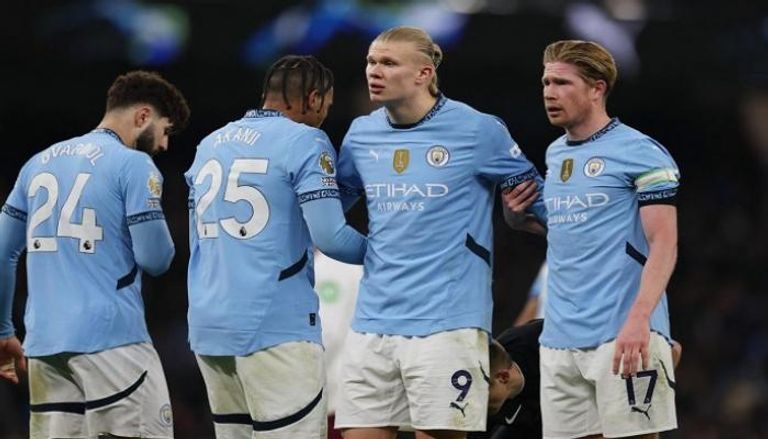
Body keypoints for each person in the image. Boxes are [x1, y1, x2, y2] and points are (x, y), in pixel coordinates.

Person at [334, 26, 545, 439]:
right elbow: (330, 212)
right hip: (372, 323)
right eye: (371, 61)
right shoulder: (361, 134)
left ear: (424, 73)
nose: (374, 70)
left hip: (447, 325)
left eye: (388, 62)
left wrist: (531, 221)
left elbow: (542, 203)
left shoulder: (478, 130)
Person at [504, 40, 681, 438]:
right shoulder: (555, 154)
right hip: (560, 339)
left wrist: (640, 319)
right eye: (546, 83)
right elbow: (574, 228)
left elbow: (664, 243)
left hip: (623, 330)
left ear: (597, 88)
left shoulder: (641, 152)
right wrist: (519, 220)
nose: (549, 93)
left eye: (562, 83)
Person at [0, 70, 190, 438]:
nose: (165, 145)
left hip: (44, 346)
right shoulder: (134, 164)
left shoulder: (37, 164)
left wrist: (4, 330)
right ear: (143, 116)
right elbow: (156, 259)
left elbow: (3, 252)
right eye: (166, 130)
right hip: (113, 343)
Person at [185, 55, 366, 439]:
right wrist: (393, 253)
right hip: (275, 327)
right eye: (326, 105)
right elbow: (332, 238)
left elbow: (201, 241)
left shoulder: (209, 145)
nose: (324, 116)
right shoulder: (306, 140)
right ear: (313, 99)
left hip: (209, 327)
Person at [476, 321, 682, 439]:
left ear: (503, 377)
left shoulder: (545, 343)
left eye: (482, 394)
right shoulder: (482, 398)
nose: (476, 401)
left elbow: (673, 351)